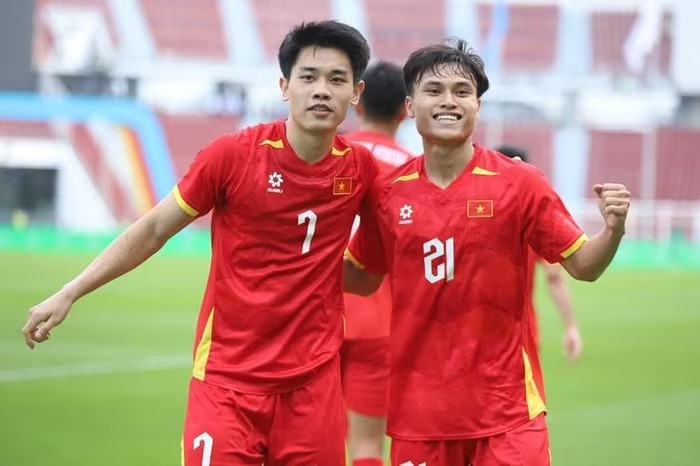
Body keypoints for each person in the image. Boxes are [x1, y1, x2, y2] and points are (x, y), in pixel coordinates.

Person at [22, 20, 375, 466]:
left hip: (313, 387)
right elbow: (153, 229)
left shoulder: (360, 170)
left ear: (356, 93)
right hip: (227, 383)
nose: (321, 90)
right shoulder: (232, 156)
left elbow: (390, 251)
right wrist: (70, 291)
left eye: (336, 80)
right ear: (285, 86)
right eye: (309, 77)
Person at [343, 39, 630, 466]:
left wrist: (613, 230)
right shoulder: (387, 193)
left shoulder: (520, 183)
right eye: (434, 90)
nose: (448, 101)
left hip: (508, 418)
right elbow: (362, 277)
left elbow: (584, 266)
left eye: (462, 91)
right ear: (410, 105)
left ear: (477, 106)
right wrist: (289, 246)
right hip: (420, 420)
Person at [341, 61, 414, 466]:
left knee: (304, 440)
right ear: (405, 109)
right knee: (367, 447)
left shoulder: (326, 153)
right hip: (379, 323)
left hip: (315, 317)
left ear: (358, 102)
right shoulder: (413, 172)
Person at [495, 144, 582, 363]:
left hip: (470, 335)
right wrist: (570, 326)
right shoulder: (532, 219)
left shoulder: (467, 215)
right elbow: (554, 277)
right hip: (521, 335)